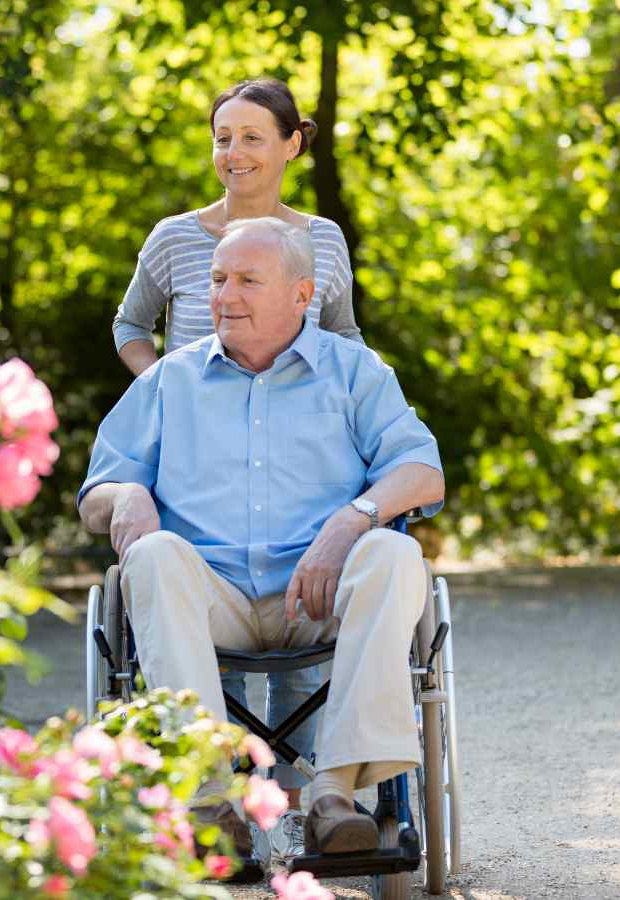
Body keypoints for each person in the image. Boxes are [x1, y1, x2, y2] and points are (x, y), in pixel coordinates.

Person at [80, 218, 444, 861]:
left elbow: (421, 471)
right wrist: (127, 494)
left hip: (319, 595)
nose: (225, 295)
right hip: (210, 597)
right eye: (219, 279)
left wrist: (351, 519)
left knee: (395, 551)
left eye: (248, 280)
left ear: (302, 295)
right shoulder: (170, 380)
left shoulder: (354, 372)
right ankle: (211, 800)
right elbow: (96, 494)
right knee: (155, 555)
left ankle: (333, 797)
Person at [111, 76, 359, 864]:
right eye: (223, 137)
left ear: (292, 144)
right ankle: (217, 790)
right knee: (197, 597)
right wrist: (162, 395)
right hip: (200, 466)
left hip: (299, 461)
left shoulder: (320, 239)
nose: (234, 153)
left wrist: (357, 414)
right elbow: (128, 324)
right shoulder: (177, 238)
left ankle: (302, 800)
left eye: (253, 136)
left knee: (298, 646)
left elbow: (346, 336)